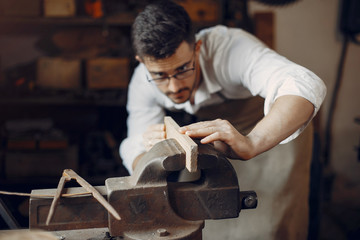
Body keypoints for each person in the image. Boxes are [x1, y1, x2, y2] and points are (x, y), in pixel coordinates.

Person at [120, 1, 326, 239]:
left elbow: (303, 84)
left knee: (270, 227)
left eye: (183, 69)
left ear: (197, 48)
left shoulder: (229, 48)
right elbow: (135, 146)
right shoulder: (141, 82)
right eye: (160, 76)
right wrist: (150, 157)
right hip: (214, 140)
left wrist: (253, 142)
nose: (174, 86)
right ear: (141, 61)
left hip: (272, 132)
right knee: (204, 217)